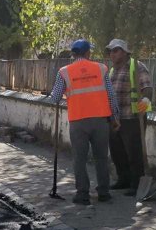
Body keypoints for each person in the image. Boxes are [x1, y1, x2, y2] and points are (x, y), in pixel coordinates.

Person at [48, 39, 121, 205]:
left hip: (78, 122)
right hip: (100, 121)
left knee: (79, 159)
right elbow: (111, 95)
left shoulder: (64, 72)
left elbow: (55, 97)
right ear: (88, 53)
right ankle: (104, 192)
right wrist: (115, 117)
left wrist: (54, 94)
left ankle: (82, 194)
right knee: (101, 157)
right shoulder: (101, 68)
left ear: (73, 54)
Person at [105, 39, 154, 196]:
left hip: (133, 117)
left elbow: (147, 87)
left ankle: (136, 183)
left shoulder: (137, 66)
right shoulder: (112, 71)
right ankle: (123, 179)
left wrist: (146, 100)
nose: (112, 54)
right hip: (116, 118)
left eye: (116, 50)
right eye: (111, 51)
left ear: (125, 52)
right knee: (117, 152)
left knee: (134, 152)